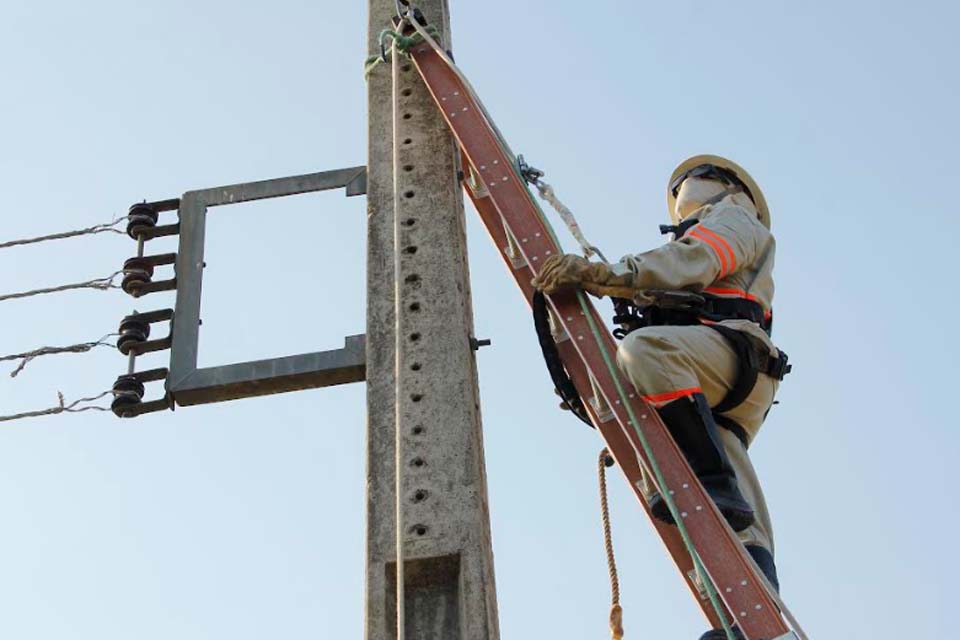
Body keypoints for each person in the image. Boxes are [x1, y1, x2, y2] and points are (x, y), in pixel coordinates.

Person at [531, 155, 789, 640]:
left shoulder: (734, 217)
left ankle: (713, 482)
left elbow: (695, 260)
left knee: (646, 352)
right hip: (715, 376)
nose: (682, 189)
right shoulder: (707, 231)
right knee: (730, 516)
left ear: (724, 186)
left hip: (727, 357)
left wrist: (600, 274)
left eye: (690, 181)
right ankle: (752, 621)